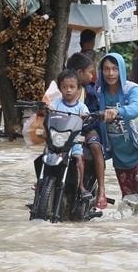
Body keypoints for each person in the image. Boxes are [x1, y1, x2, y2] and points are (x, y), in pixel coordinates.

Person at [97, 53, 138, 208]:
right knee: (129, 201)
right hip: (120, 157)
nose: (110, 73)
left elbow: (136, 108)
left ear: (121, 70)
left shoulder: (132, 89)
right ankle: (133, 231)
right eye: (106, 69)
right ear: (101, 71)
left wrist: (118, 112)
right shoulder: (99, 93)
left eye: (115, 69)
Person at [65, 52, 107, 209]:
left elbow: (96, 109)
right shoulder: (61, 87)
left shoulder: (90, 90)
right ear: (79, 72)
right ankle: (42, 182)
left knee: (96, 147)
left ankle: (102, 189)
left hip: (87, 129)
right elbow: (51, 100)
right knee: (49, 146)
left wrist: (94, 115)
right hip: (65, 130)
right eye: (90, 71)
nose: (92, 75)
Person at [49, 69, 92, 200]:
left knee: (78, 157)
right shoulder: (55, 104)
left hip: (74, 140)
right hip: (57, 139)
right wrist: (46, 110)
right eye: (64, 87)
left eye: (72, 87)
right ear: (60, 88)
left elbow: (88, 118)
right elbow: (48, 113)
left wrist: (86, 117)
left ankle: (81, 186)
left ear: (78, 89)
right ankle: (42, 181)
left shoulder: (81, 107)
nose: (68, 90)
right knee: (46, 156)